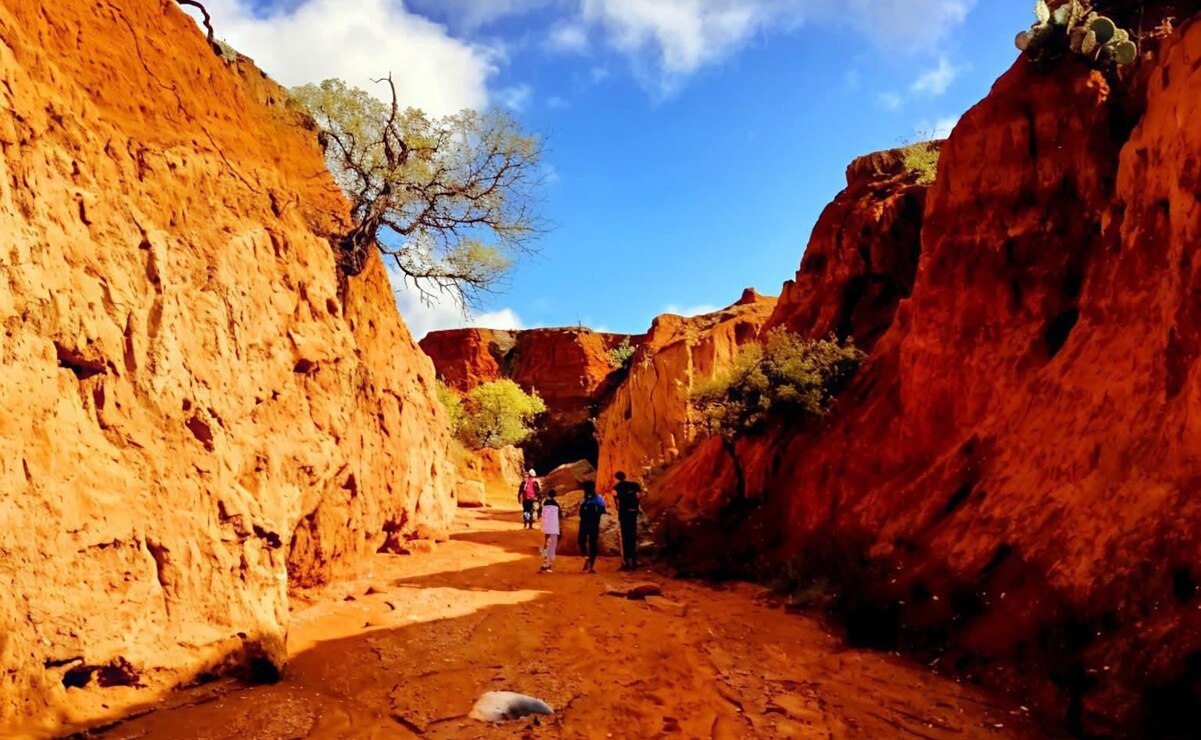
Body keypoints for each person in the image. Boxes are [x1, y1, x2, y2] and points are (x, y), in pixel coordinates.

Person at [613, 471, 643, 571]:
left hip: (624, 514)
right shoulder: (635, 485)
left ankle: (626, 562)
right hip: (633, 513)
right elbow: (638, 496)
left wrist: (619, 504)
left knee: (625, 537)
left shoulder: (616, 487)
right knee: (633, 536)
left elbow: (615, 498)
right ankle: (634, 561)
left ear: (617, 478)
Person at [577, 482, 606, 573]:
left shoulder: (588, 499)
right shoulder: (597, 499)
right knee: (590, 543)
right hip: (592, 524)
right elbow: (602, 510)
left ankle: (589, 561)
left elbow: (580, 512)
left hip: (586, 524)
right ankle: (589, 561)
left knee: (584, 541)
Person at [539, 489, 561, 573]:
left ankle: (545, 562)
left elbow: (542, 514)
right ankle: (548, 564)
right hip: (554, 528)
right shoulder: (556, 505)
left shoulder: (545, 503)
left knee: (547, 543)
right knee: (552, 546)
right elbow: (559, 515)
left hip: (547, 527)